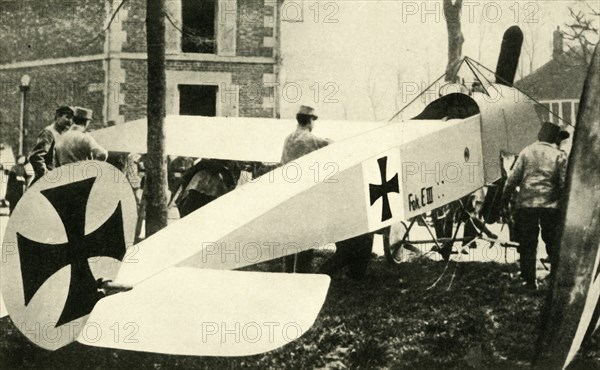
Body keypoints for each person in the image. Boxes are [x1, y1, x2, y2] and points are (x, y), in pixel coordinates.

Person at [502, 122, 568, 290]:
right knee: (553, 240)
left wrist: (505, 197)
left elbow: (513, 179)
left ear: (540, 135)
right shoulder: (559, 155)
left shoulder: (526, 151)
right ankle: (556, 279)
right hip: (550, 205)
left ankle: (529, 281)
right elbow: (563, 183)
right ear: (554, 138)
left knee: (527, 242)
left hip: (526, 204)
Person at [281, 106, 332, 273]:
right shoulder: (312, 140)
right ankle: (302, 272)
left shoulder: (288, 139)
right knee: (306, 236)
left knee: (290, 236)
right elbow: (332, 146)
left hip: (289, 195)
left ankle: (288, 271)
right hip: (306, 197)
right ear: (310, 121)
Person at [28, 106, 74, 182]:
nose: (70, 121)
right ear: (58, 116)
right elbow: (36, 157)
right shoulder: (49, 133)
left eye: (72, 119)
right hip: (47, 183)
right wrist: (47, 176)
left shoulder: (63, 134)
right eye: (68, 117)